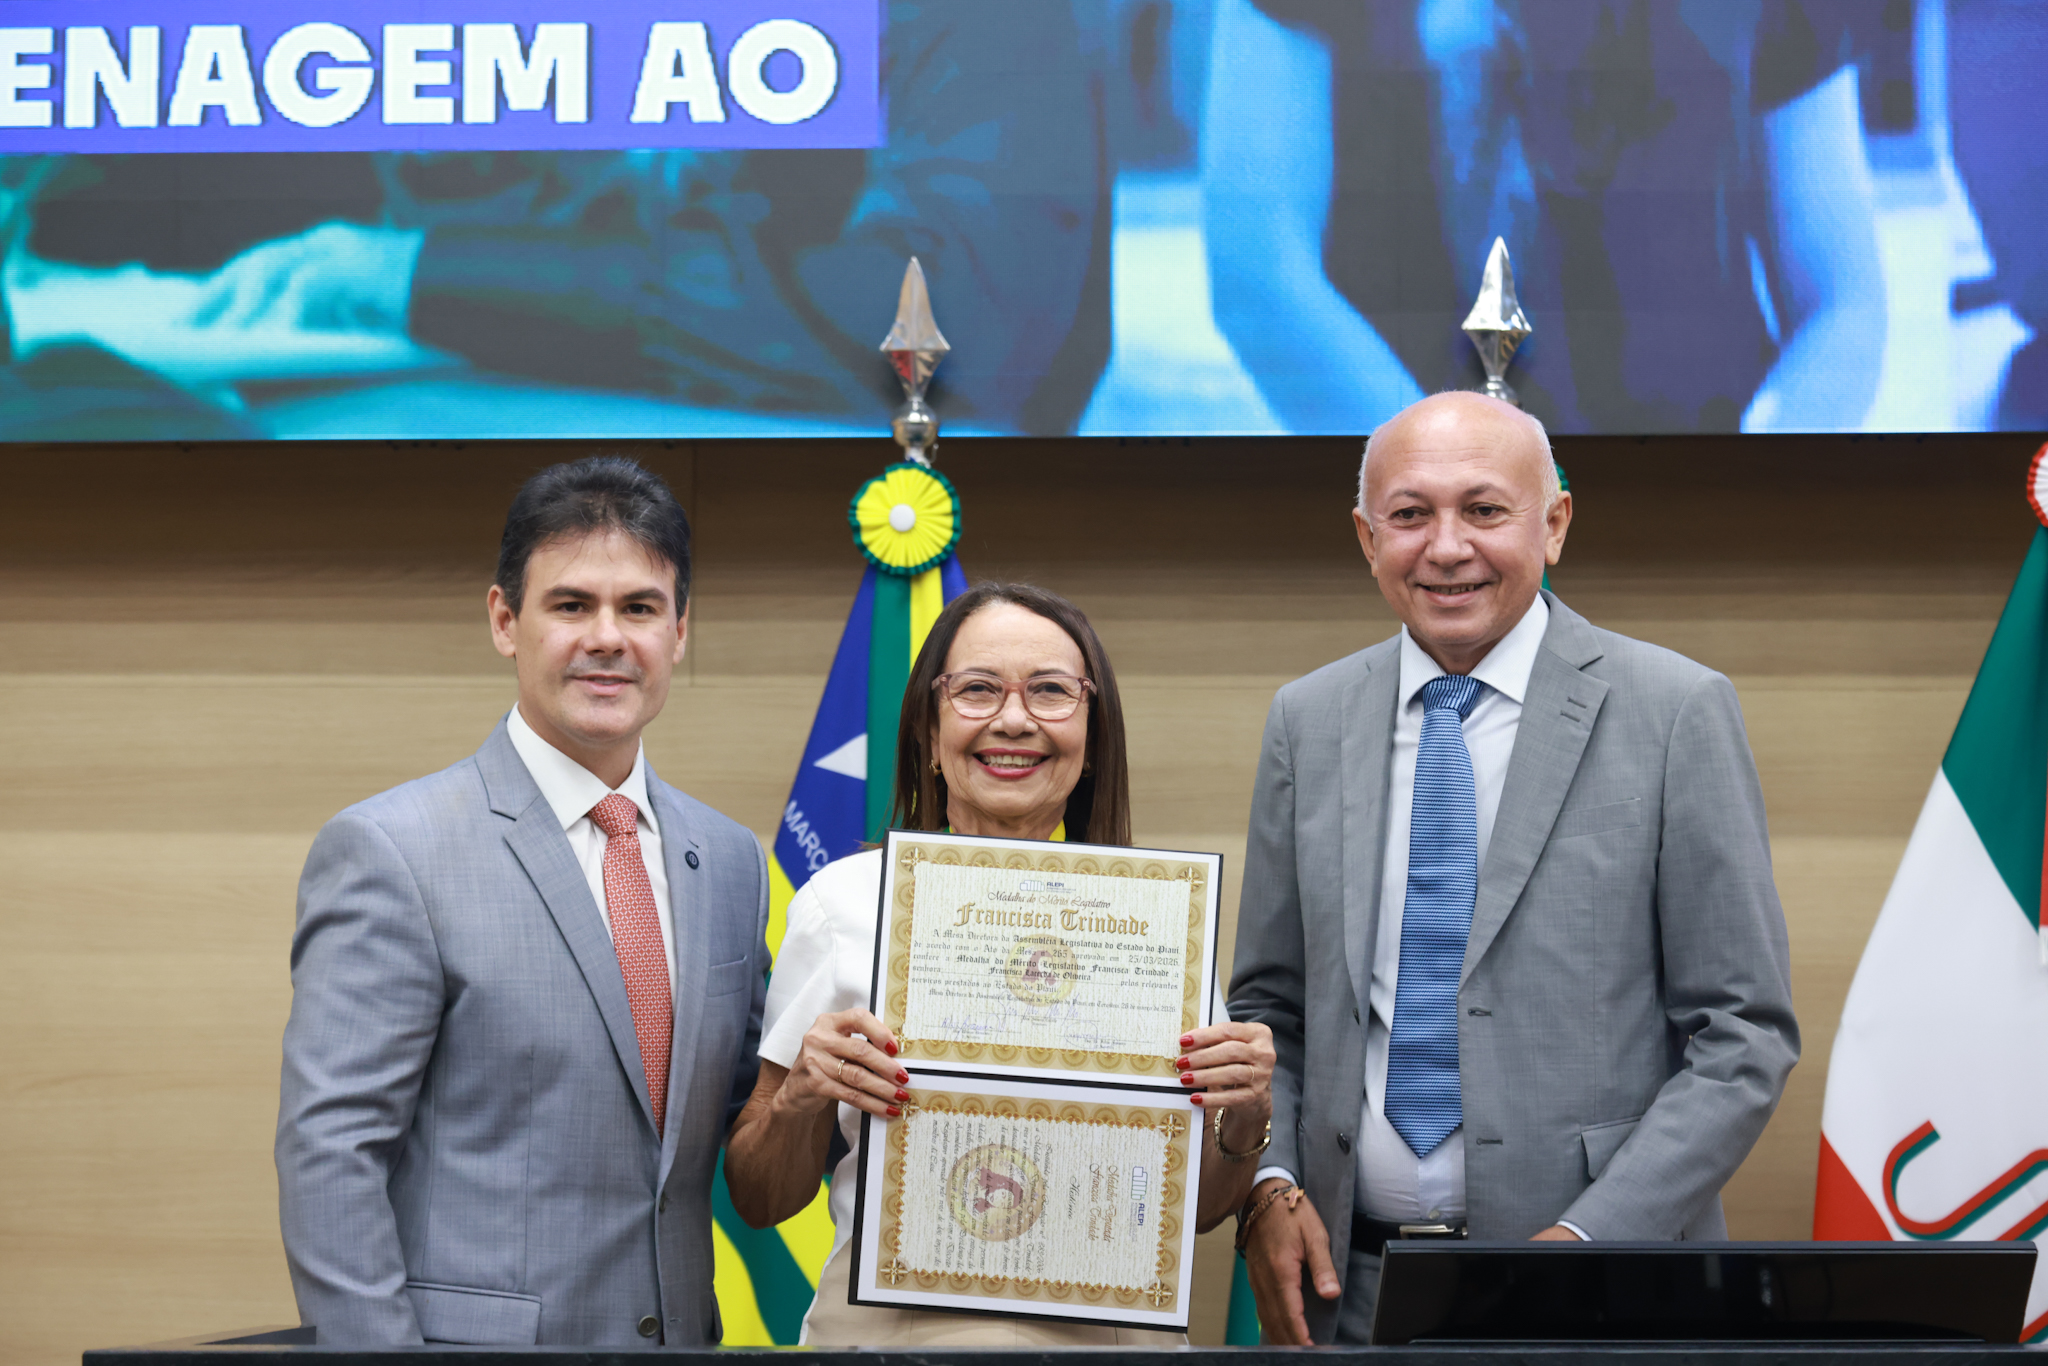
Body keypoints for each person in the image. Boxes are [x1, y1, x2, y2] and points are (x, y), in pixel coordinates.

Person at [1229, 392, 1799, 1343]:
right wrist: (1272, 1185)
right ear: (1368, 539)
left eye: (1484, 510)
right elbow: (1270, 1007)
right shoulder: (1307, 719)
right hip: (1347, 1290)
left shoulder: (1675, 711)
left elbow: (1742, 1034)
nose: (1446, 547)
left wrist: (1589, 1241)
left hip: (1603, 1295)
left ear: (1555, 523)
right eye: (1410, 515)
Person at [275, 456, 771, 1346]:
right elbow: (330, 1156)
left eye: (641, 609)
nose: (609, 638)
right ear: (506, 620)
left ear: (682, 632)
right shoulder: (395, 849)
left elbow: (748, 1131)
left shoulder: (730, 862)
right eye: (572, 605)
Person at [724, 581, 1277, 1345]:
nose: (1014, 719)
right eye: (978, 689)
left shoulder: (1156, 922)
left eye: (1051, 691)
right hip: (894, 1335)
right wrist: (801, 1100)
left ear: (1091, 737)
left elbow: (1204, 1210)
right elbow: (757, 1199)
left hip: (1113, 1337)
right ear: (928, 727)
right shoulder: (842, 903)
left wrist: (1246, 1113)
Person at [1201, 0, 1888, 434]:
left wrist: (1752, 487)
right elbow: (1256, 276)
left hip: (1692, 515)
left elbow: (1843, 293)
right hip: (1416, 561)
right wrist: (1442, 503)